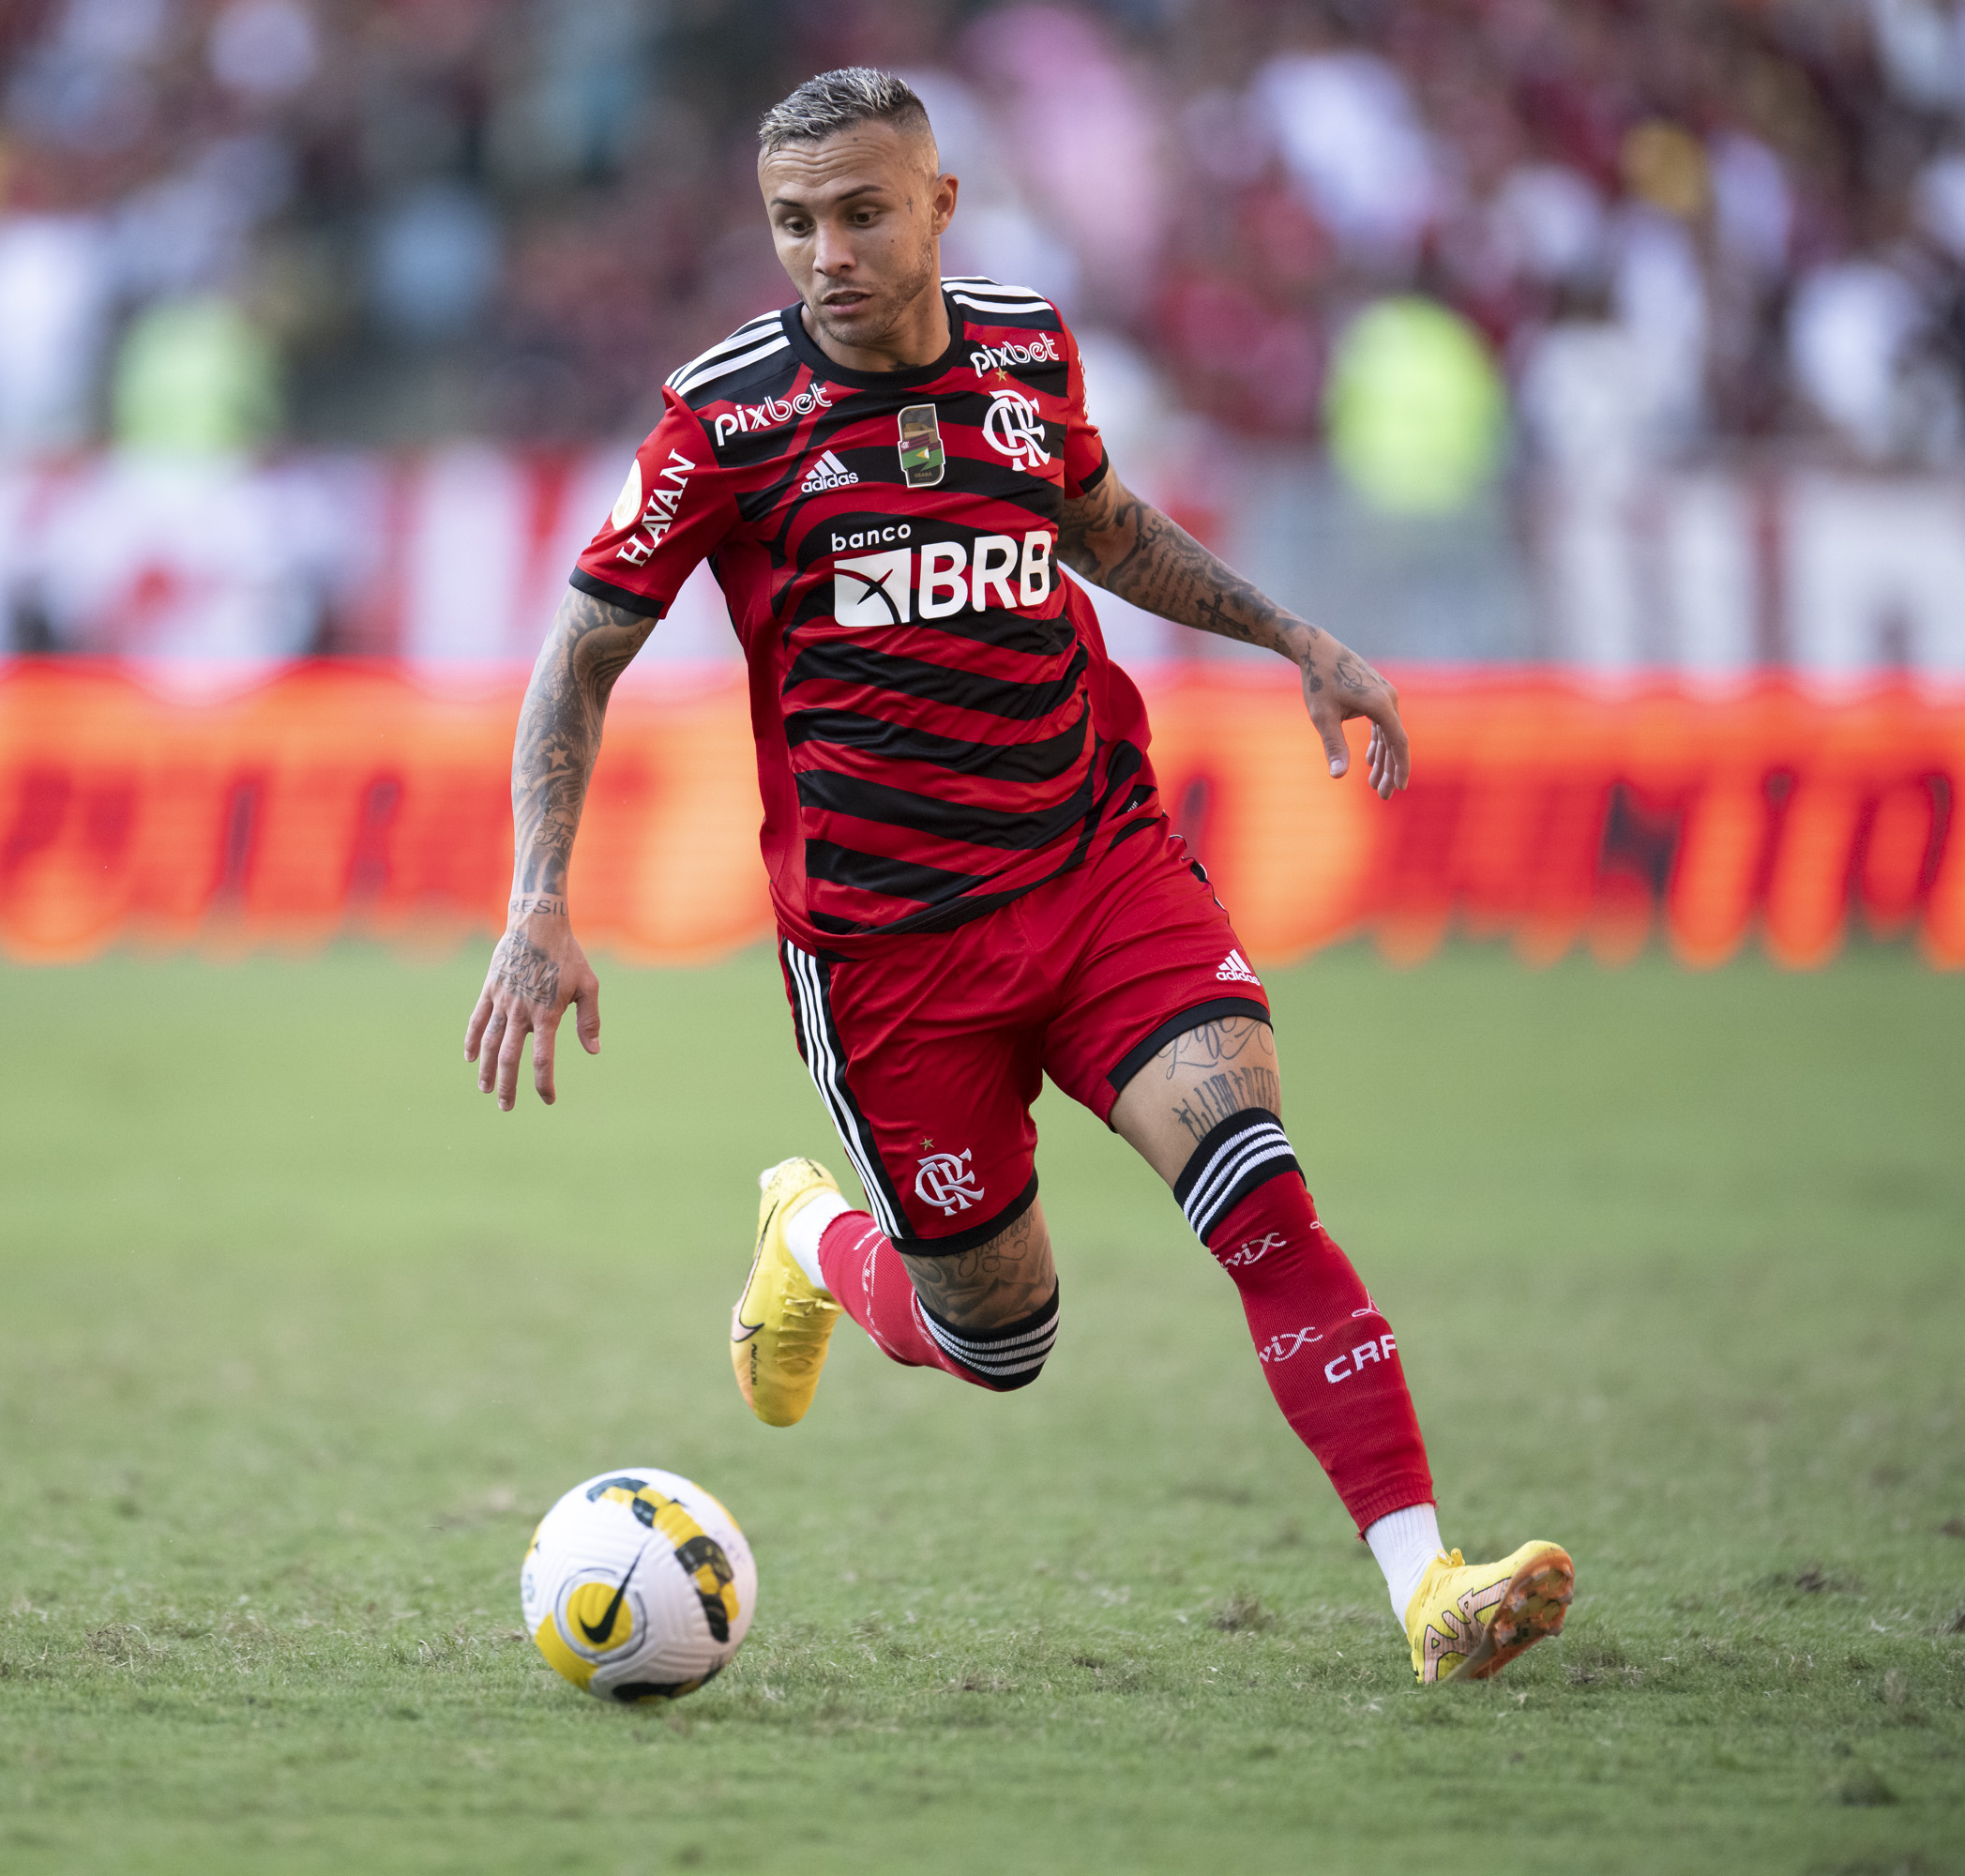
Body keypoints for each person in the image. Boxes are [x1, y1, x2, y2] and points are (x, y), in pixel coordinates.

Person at [461, 68, 1573, 1686]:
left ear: (939, 204)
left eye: (861, 213)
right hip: (890, 956)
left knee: (1259, 1193)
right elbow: (578, 656)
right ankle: (814, 1237)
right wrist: (536, 903)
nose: (828, 254)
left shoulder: (1025, 350)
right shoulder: (726, 419)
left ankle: (1430, 1589)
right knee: (1001, 1342)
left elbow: (1104, 526)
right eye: (793, 223)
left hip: (1096, 866)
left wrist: (1295, 637)